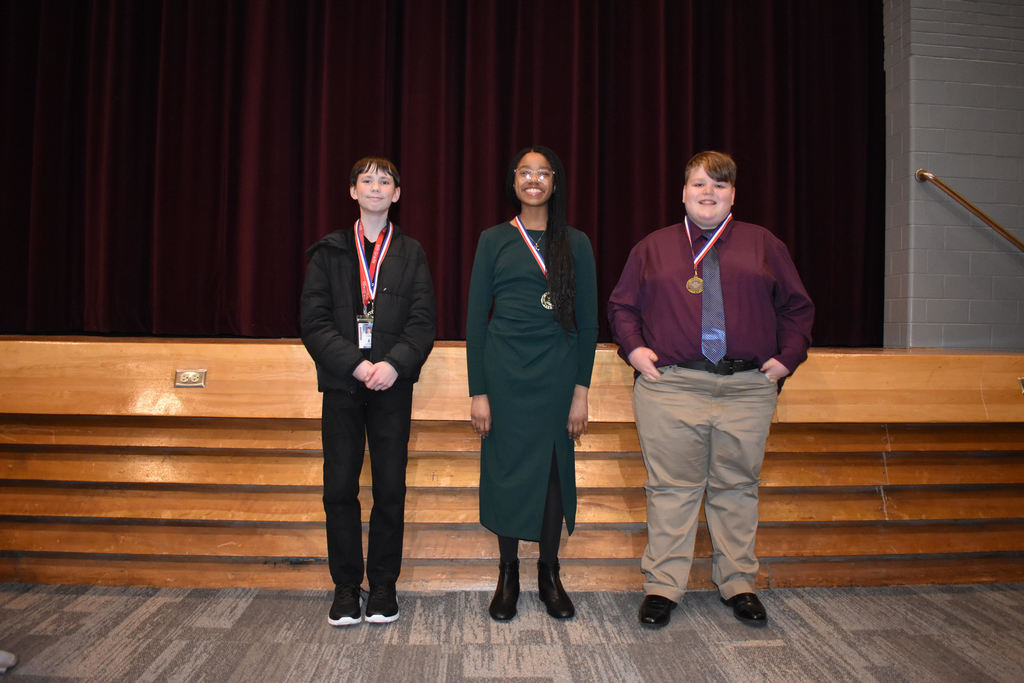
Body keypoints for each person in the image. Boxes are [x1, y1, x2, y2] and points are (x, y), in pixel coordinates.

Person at [608, 151, 814, 628]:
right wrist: (635, 351)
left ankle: (739, 583)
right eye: (699, 184)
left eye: (719, 186)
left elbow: (797, 308)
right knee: (670, 490)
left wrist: (786, 360)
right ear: (683, 192)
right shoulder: (652, 247)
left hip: (746, 388)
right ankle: (662, 587)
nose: (708, 193)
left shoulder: (764, 245)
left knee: (737, 488)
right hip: (672, 387)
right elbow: (622, 308)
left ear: (733, 195)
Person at [301, 156, 436, 626]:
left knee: (389, 490)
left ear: (396, 194)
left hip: (392, 388)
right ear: (352, 191)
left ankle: (382, 586)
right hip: (342, 386)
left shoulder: (412, 252)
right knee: (339, 489)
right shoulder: (329, 252)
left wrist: (393, 366)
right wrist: (357, 366)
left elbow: (423, 323)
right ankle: (344, 587)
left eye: (385, 181)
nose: (376, 187)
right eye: (367, 180)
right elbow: (314, 324)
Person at [466, 146, 598, 621]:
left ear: (555, 183)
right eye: (526, 172)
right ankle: (508, 574)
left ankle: (548, 572)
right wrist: (477, 391)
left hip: (558, 376)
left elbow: (588, 324)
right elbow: (476, 323)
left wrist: (581, 391)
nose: (535, 179)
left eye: (544, 173)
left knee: (550, 475)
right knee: (504, 471)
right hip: (503, 375)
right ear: (514, 182)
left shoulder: (576, 243)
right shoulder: (493, 240)